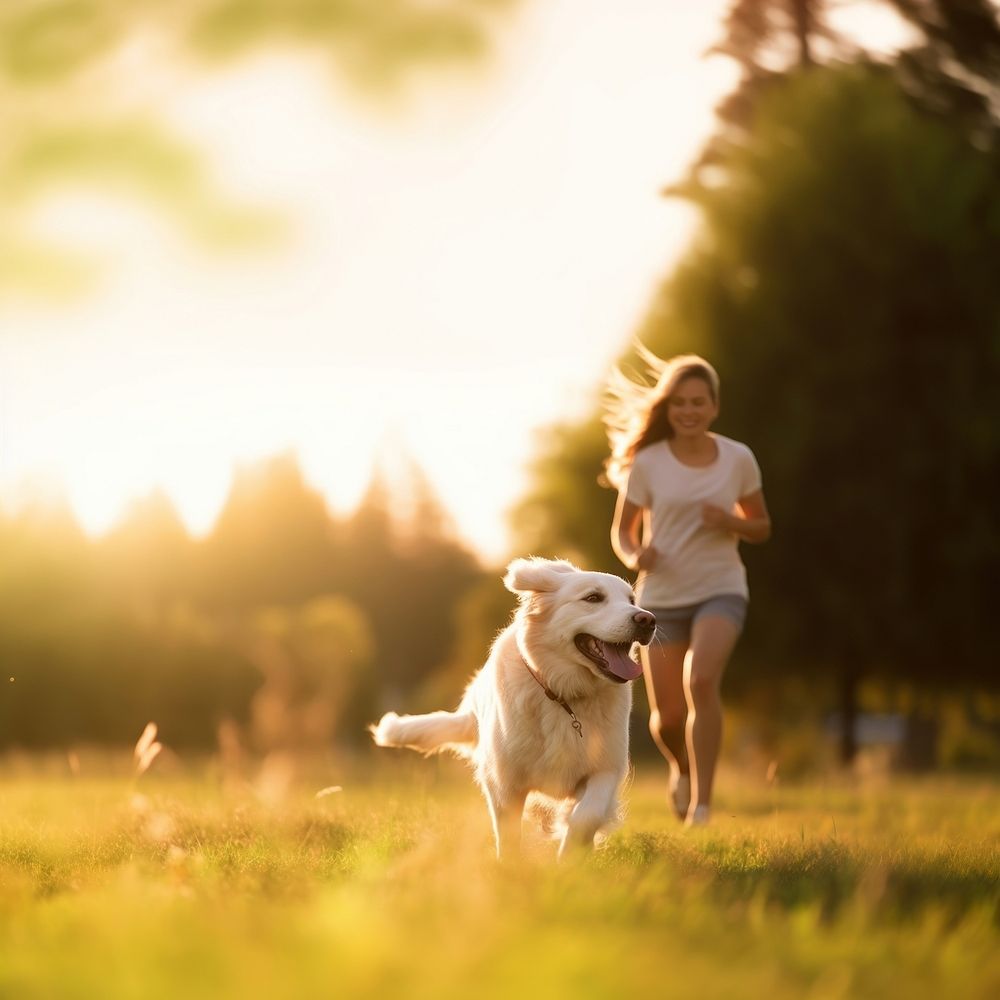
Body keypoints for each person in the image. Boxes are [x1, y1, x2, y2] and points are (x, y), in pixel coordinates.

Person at [604, 350, 771, 826]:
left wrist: (730, 521)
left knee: (701, 681)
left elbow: (762, 525)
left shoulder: (738, 458)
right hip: (660, 600)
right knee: (669, 718)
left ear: (714, 406)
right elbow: (623, 532)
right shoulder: (649, 463)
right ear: (668, 408)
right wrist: (637, 556)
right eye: (680, 403)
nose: (689, 411)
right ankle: (682, 768)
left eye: (699, 402)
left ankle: (703, 804)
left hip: (721, 589)